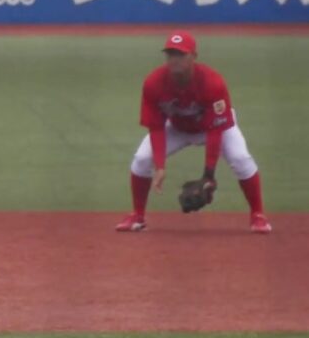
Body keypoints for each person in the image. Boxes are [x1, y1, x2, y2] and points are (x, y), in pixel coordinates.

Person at [115, 31, 271, 234]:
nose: (175, 59)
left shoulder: (213, 83)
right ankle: (137, 216)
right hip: (178, 128)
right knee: (142, 159)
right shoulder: (154, 83)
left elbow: (216, 130)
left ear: (193, 56)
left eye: (181, 54)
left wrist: (209, 175)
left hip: (214, 127)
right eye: (171, 54)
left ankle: (258, 215)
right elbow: (156, 127)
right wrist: (160, 166)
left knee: (241, 159)